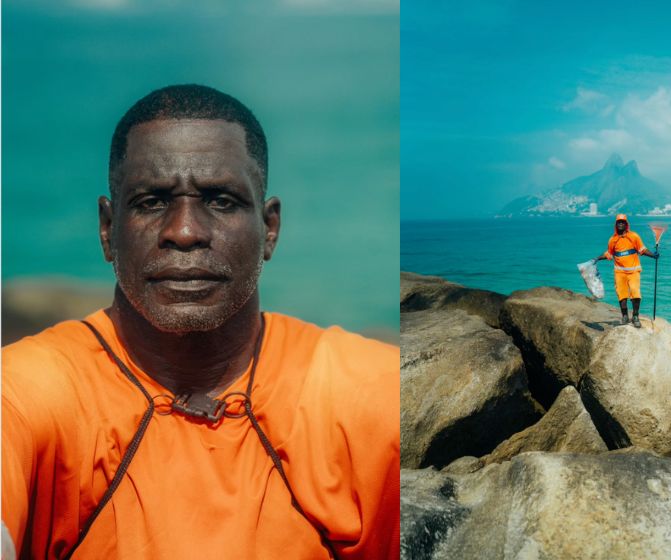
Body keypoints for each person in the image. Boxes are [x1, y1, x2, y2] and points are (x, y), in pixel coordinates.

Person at [1, 85, 400, 559]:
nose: (185, 231)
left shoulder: (369, 393)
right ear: (108, 230)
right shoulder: (28, 394)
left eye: (221, 201)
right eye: (151, 202)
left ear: (269, 229)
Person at [594, 213, 658, 328]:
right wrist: (598, 258)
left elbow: (642, 250)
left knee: (635, 292)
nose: (621, 224)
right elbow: (609, 254)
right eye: (619, 222)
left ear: (626, 224)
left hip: (634, 271)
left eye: (623, 222)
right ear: (616, 224)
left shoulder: (634, 236)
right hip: (619, 273)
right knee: (622, 294)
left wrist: (653, 255)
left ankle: (635, 316)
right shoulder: (612, 240)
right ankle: (624, 316)